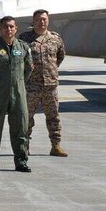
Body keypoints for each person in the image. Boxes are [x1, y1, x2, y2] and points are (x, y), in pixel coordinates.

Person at [0, 16, 33, 173]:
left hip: (18, 93)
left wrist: (19, 82)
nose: (8, 30)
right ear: (0, 29)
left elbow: (29, 68)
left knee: (20, 128)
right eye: (5, 27)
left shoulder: (23, 47)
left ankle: (21, 161)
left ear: (16, 29)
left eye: (11, 27)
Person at [18, 9, 67, 157]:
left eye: (44, 19)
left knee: (53, 116)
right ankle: (23, 146)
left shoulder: (55, 38)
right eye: (39, 19)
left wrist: (49, 71)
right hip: (31, 85)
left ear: (48, 21)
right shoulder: (24, 39)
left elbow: (60, 57)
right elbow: (18, 59)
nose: (42, 22)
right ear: (33, 21)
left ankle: (56, 145)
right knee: (26, 117)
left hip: (50, 85)